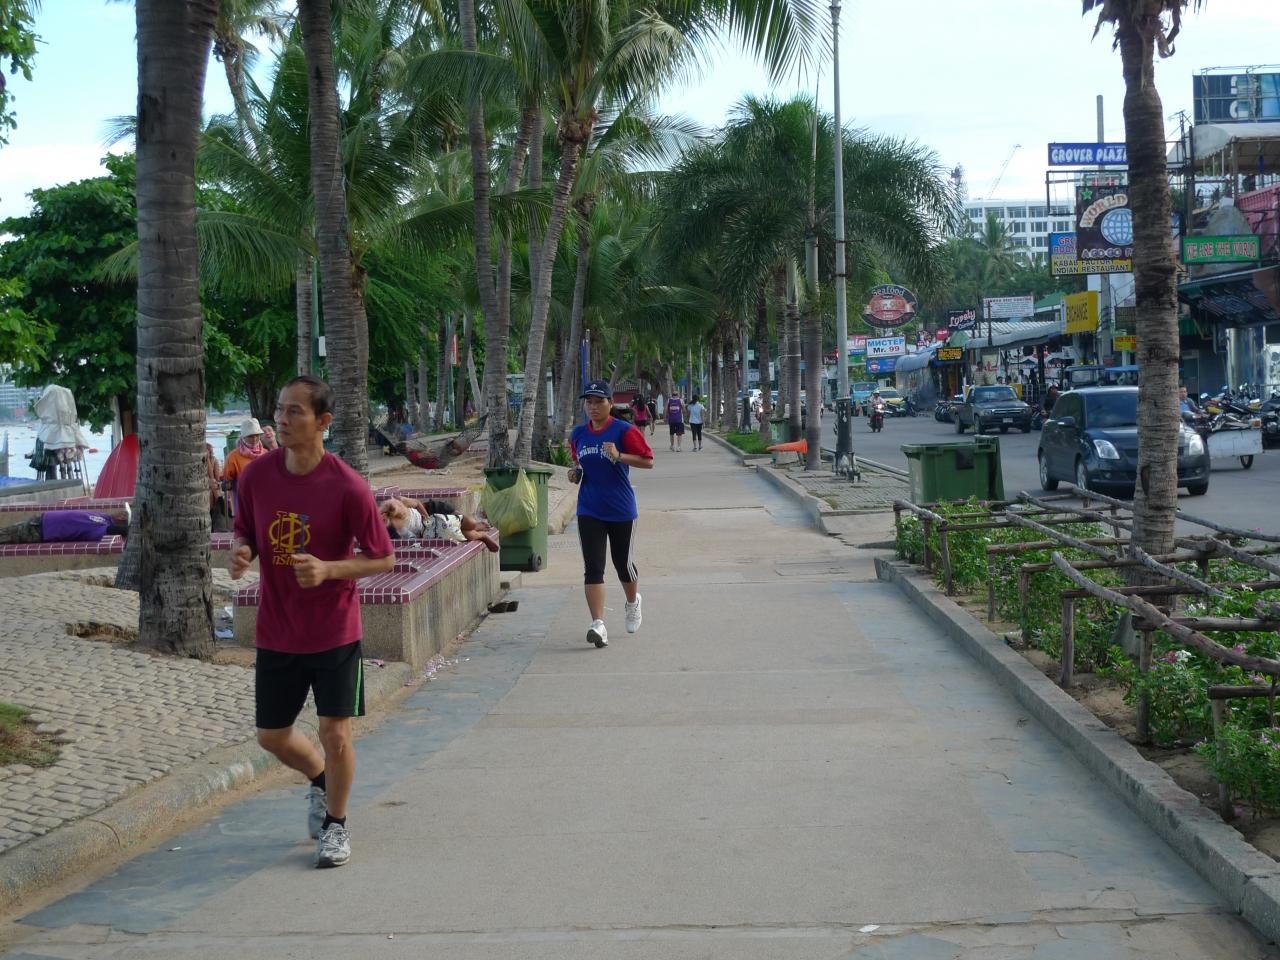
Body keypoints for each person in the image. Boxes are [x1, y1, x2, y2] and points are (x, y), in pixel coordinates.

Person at [228, 375, 395, 870]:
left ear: (323, 421)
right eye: (280, 410)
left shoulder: (347, 486)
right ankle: (321, 781)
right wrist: (242, 551)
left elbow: (382, 558)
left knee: (335, 732)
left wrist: (329, 570)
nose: (281, 419)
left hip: (334, 629)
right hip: (278, 628)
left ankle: (336, 825)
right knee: (272, 735)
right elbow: (244, 529)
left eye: (294, 411)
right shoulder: (255, 477)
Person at [568, 379, 654, 649]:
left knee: (622, 564)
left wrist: (619, 455)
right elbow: (580, 465)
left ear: (610, 403)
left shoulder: (624, 431)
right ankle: (598, 624)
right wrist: (575, 474)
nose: (593, 407)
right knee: (593, 567)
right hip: (589, 508)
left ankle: (632, 602)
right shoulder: (578, 434)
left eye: (599, 402)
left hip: (620, 509)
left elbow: (648, 461)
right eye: (589, 402)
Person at [379, 495, 499, 552]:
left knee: (469, 523)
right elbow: (410, 540)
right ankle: (482, 536)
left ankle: (476, 526)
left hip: (431, 511)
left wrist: (426, 517)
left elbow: (417, 503)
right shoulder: (393, 528)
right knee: (464, 535)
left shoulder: (399, 502)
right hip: (428, 530)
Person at [0, 507, 130, 544]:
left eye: (125, 513)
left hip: (40, 530)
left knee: (4, 535)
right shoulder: (104, 518)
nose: (121, 511)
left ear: (122, 518)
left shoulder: (102, 528)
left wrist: (131, 530)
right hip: (41, 520)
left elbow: (116, 530)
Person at [222, 417, 268, 511]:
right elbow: (227, 479)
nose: (254, 439)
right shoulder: (232, 457)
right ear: (243, 437)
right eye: (250, 436)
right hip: (242, 499)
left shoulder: (266, 453)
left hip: (263, 497)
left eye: (257, 435)